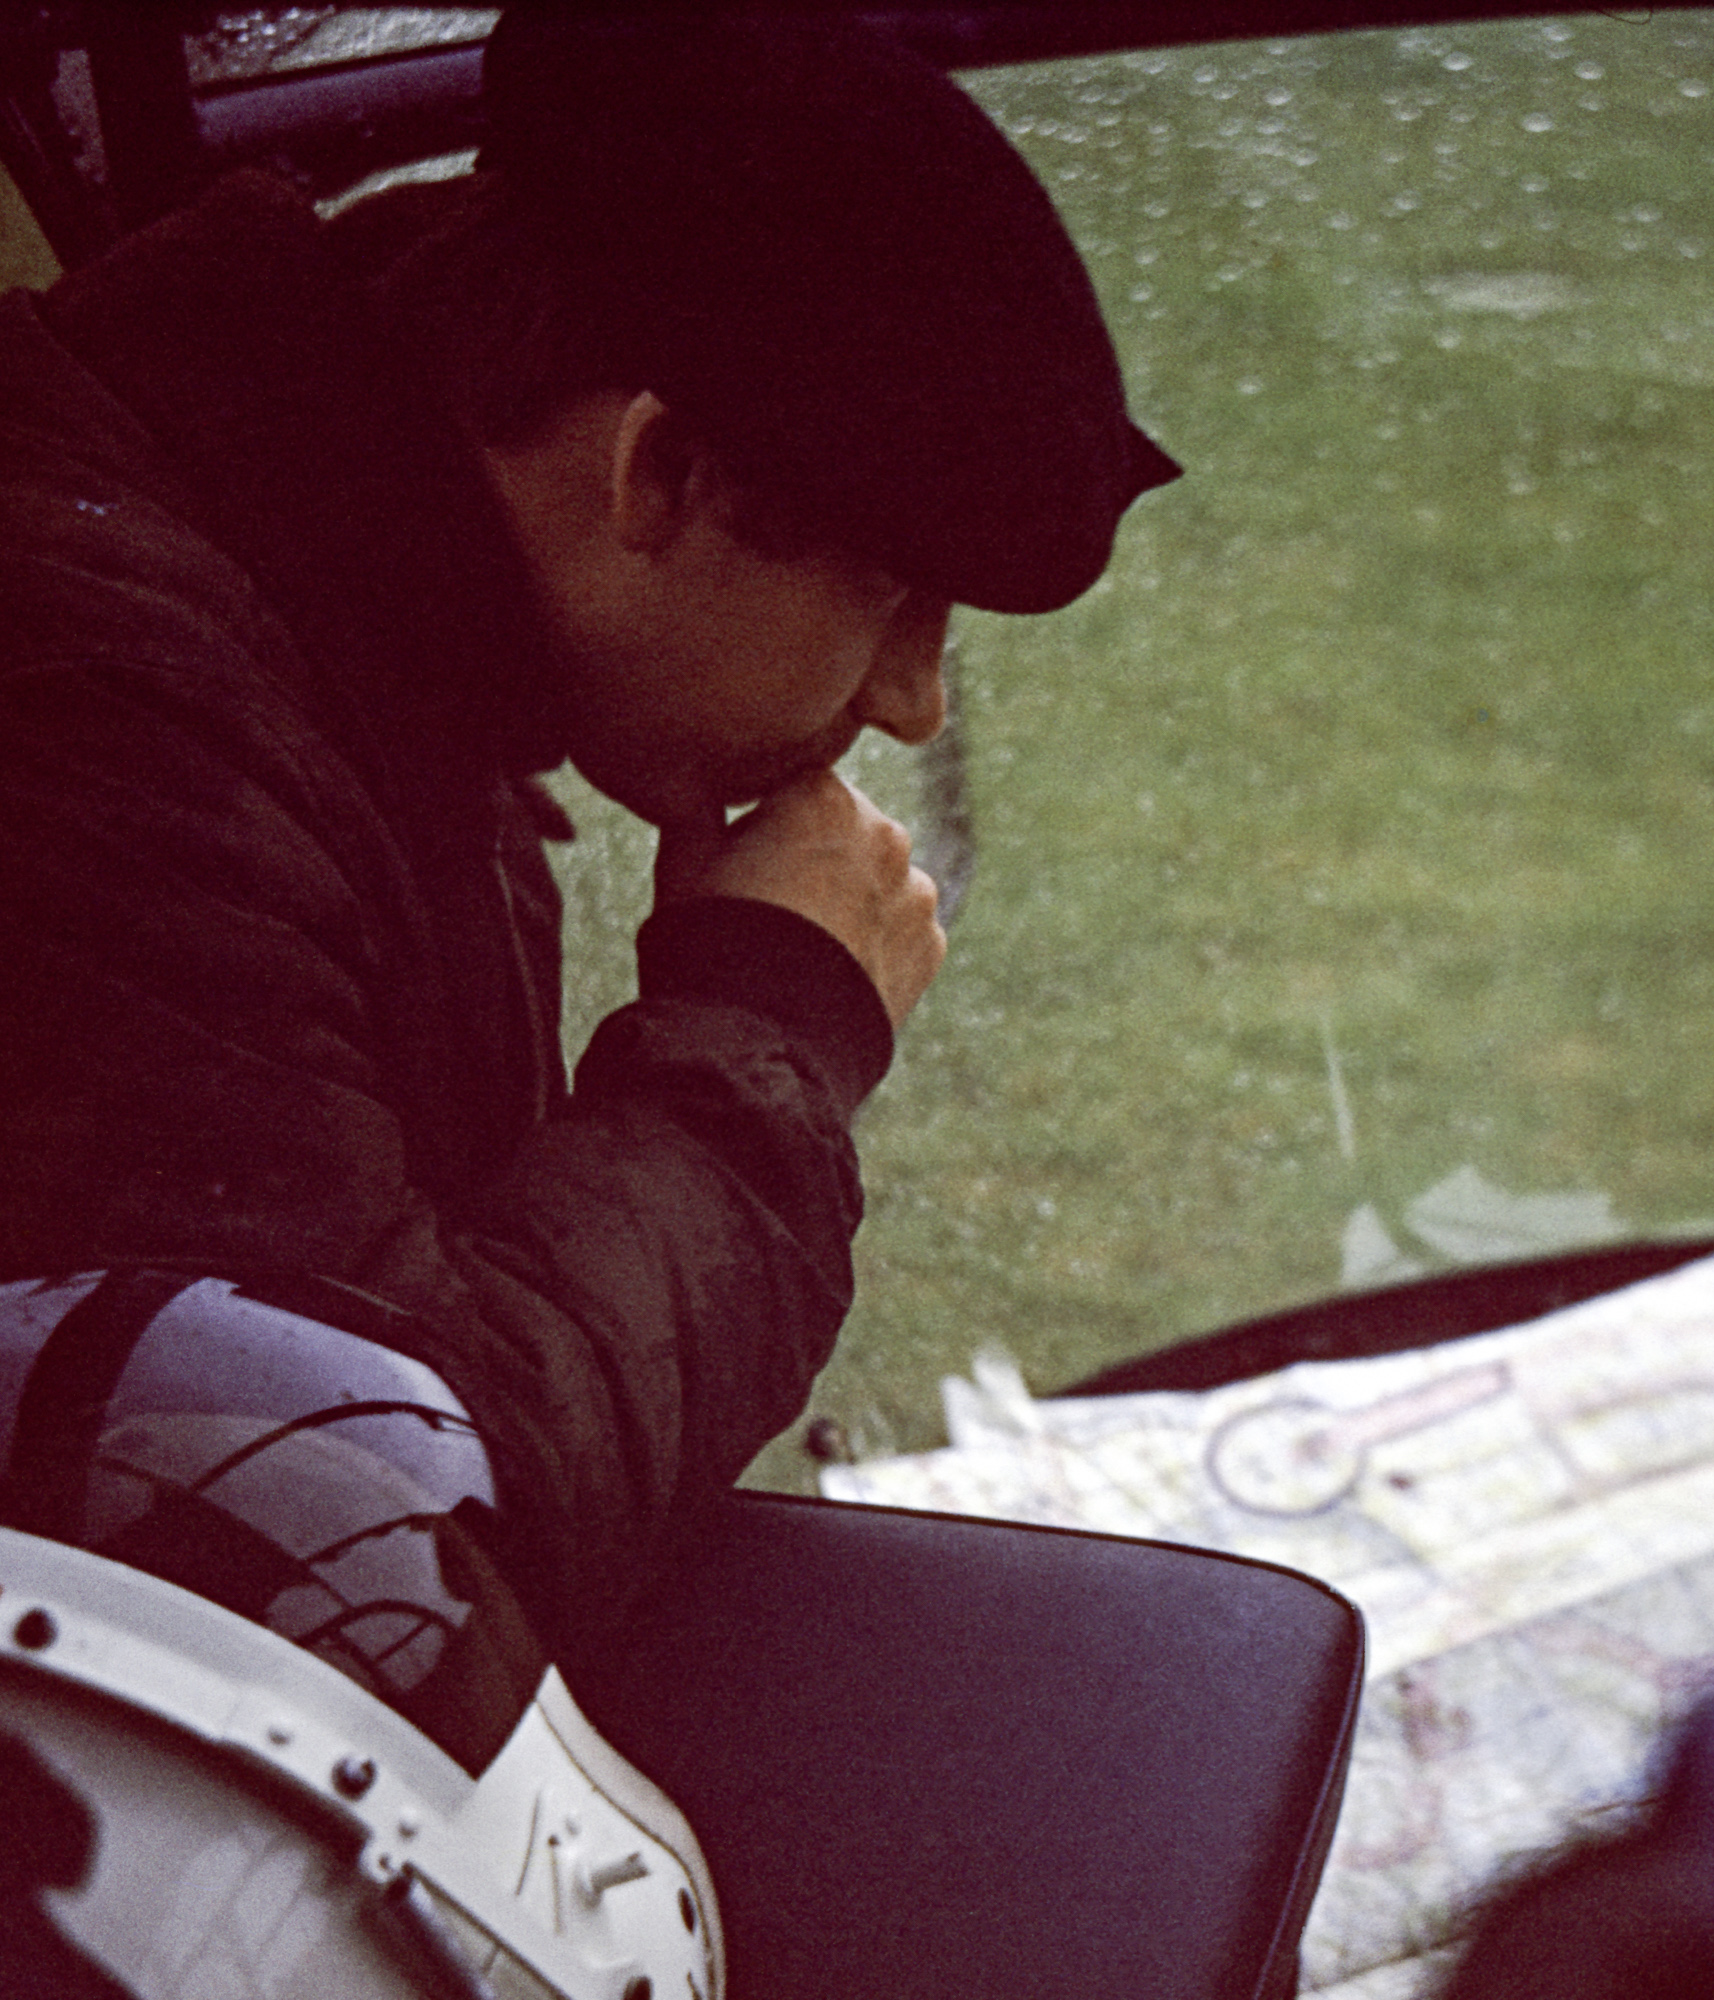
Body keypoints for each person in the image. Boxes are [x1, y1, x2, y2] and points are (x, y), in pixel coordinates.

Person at [0, 10, 1175, 1645]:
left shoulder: (353, 610)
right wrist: (767, 1029)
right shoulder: (106, 721)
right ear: (662, 473)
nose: (914, 701)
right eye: (898, 595)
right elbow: (368, 1542)